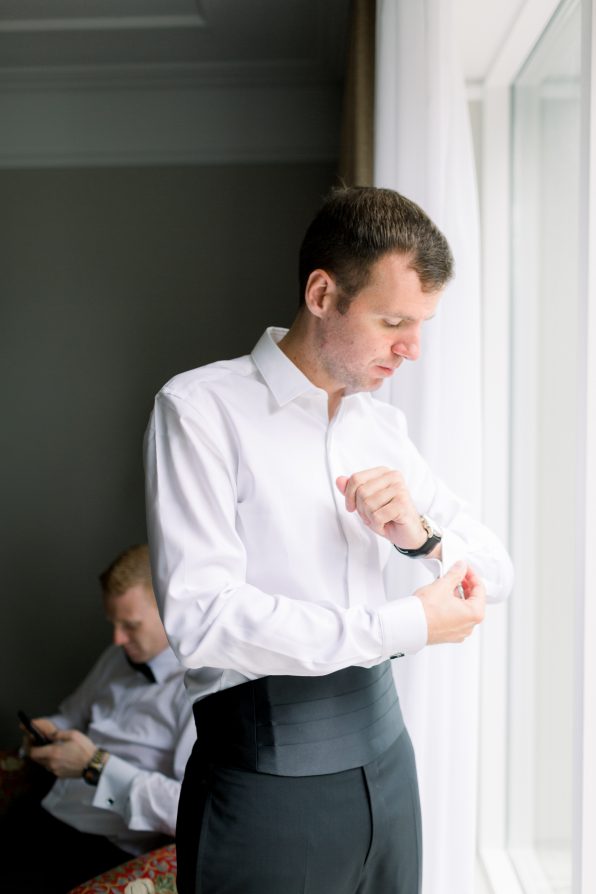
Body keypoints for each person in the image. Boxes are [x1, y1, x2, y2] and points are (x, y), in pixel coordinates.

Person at [144, 186, 514, 894]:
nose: (411, 350)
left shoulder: (383, 429)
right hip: (265, 786)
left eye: (421, 325)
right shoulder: (199, 410)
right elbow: (203, 619)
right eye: (393, 321)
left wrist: (421, 539)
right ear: (322, 294)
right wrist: (405, 623)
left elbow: (496, 571)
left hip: (390, 771)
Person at [4, 544, 195, 894]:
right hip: (48, 806)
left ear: (169, 607)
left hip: (102, 847)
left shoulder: (198, 690)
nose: (117, 639)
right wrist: (49, 730)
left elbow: (188, 808)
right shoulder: (116, 656)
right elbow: (72, 715)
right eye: (114, 623)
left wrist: (96, 765)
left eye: (130, 625)